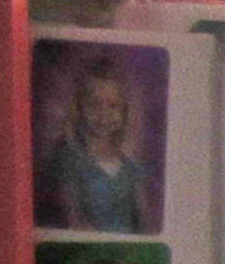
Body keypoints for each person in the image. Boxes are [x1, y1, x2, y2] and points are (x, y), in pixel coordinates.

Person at [38, 51, 152, 231]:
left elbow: (144, 226)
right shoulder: (68, 160)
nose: (103, 115)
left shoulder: (131, 169)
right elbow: (71, 218)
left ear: (124, 112)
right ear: (79, 107)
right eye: (94, 104)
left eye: (113, 106)